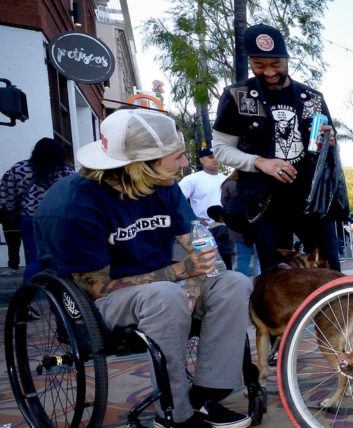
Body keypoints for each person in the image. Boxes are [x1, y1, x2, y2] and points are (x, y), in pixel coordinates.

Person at [35, 109, 253, 428]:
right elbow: (98, 288)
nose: (184, 164)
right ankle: (175, 414)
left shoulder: (164, 185)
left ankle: (206, 394)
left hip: (164, 290)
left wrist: (193, 287)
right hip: (96, 303)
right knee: (165, 296)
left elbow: (201, 249)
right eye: (177, 157)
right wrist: (181, 274)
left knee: (233, 283)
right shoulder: (74, 205)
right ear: (141, 165)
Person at [212, 24, 341, 272]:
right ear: (250, 62)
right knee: (276, 274)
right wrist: (259, 162)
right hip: (265, 201)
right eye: (259, 65)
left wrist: (328, 140)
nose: (269, 72)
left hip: (312, 198)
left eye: (276, 64)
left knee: (328, 267)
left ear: (287, 59)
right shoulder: (237, 96)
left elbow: (327, 140)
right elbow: (220, 149)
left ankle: (335, 310)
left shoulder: (311, 97)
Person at [0, 138, 73, 281]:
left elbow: (5, 195)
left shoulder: (19, 169)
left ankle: (27, 299)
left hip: (30, 218)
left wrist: (12, 212)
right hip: (59, 220)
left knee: (35, 258)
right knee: (60, 259)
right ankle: (60, 299)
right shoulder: (67, 172)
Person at [219, 172, 259, 277]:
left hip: (238, 226)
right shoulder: (257, 182)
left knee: (242, 258)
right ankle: (258, 283)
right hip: (257, 224)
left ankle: (243, 284)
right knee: (258, 258)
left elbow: (224, 203)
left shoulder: (229, 183)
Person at [179, 148, 228, 225]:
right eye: (211, 157)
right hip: (205, 229)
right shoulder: (191, 179)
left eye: (217, 156)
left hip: (228, 227)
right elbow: (176, 201)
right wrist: (192, 218)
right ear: (201, 160)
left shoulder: (226, 179)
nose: (215, 159)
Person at [206, 205, 235, 271]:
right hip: (225, 251)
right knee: (228, 267)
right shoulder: (223, 228)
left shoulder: (211, 227)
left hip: (218, 251)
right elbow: (222, 236)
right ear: (221, 216)